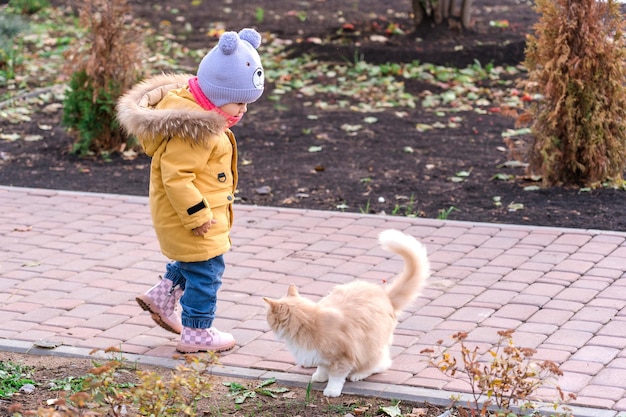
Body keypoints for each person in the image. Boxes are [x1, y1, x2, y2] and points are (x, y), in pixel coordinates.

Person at [116, 28, 264, 353]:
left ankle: (160, 297)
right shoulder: (196, 131)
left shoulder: (199, 115)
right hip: (192, 217)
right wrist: (197, 215)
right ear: (215, 92)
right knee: (207, 273)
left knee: (196, 263)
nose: (243, 109)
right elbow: (177, 176)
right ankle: (197, 334)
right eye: (238, 101)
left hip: (193, 215)